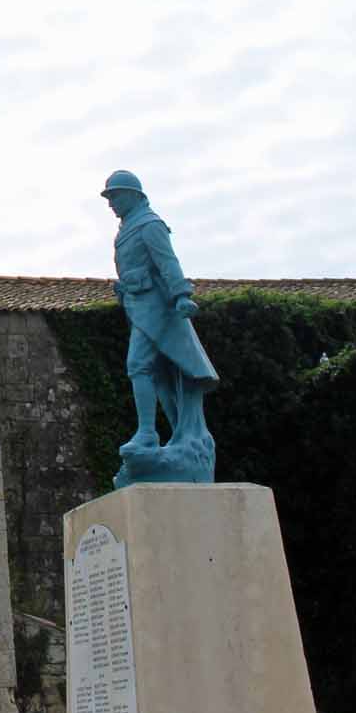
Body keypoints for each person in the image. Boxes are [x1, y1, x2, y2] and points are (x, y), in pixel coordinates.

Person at [101, 168, 218, 487]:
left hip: (157, 308)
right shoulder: (126, 229)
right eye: (109, 197)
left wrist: (181, 295)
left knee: (139, 365)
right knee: (158, 376)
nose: (111, 203)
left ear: (133, 195)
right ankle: (159, 432)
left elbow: (168, 262)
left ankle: (148, 433)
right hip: (139, 307)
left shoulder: (149, 225)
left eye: (115, 196)